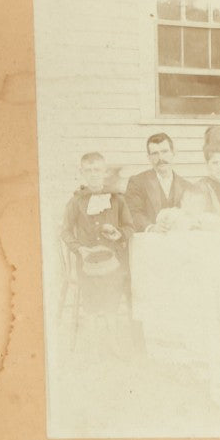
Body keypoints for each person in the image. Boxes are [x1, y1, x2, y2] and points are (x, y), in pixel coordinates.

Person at [61, 151, 133, 313]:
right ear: (82, 173)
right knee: (92, 311)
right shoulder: (76, 201)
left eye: (97, 170)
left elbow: (130, 227)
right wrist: (79, 248)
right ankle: (94, 330)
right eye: (88, 170)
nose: (93, 175)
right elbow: (65, 231)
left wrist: (119, 233)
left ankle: (111, 330)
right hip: (87, 263)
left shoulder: (117, 199)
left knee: (111, 309)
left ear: (105, 172)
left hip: (114, 263)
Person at [124, 133, 189, 232]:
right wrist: (151, 228)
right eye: (155, 153)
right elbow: (133, 212)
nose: (161, 158)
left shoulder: (186, 186)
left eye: (165, 151)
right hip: (151, 241)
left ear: (173, 152)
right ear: (149, 157)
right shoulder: (137, 182)